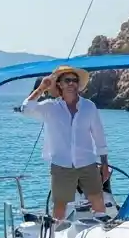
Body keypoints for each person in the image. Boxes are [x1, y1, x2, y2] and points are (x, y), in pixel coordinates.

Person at [20, 65, 110, 222]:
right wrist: (42, 88)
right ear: (59, 84)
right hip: (61, 165)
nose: (71, 84)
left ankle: (101, 233)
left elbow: (99, 136)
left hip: (87, 163)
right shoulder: (50, 107)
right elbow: (26, 108)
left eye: (74, 80)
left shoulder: (89, 107)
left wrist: (104, 164)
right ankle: (57, 236)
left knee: (98, 201)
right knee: (59, 207)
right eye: (67, 80)